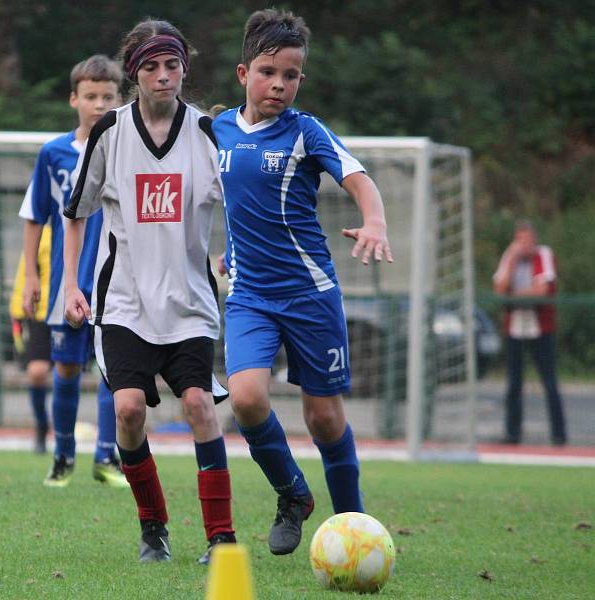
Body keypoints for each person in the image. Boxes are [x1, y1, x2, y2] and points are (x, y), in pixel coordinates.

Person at [212, 8, 393, 556]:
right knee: (245, 398)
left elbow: (358, 177)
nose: (280, 85)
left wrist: (376, 220)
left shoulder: (306, 130)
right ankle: (293, 494)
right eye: (269, 72)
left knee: (323, 415)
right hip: (249, 295)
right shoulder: (214, 129)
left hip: (310, 293)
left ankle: (353, 527)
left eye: (291, 76)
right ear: (244, 73)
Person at [62, 19, 235, 565]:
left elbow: (240, 201)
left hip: (189, 303)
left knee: (199, 405)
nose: (164, 76)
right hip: (125, 303)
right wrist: (70, 283)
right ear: (135, 72)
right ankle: (153, 528)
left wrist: (237, 250)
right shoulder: (108, 132)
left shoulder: (207, 132)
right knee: (129, 410)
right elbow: (75, 213)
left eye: (173, 65)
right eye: (152, 67)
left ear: (185, 69)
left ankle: (221, 538)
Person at [21, 54, 128, 488]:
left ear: (120, 99)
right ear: (74, 99)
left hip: (118, 282)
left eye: (108, 96)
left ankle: (106, 458)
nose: (99, 104)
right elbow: (35, 215)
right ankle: (63, 455)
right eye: (90, 96)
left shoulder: (128, 148)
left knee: (112, 370)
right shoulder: (55, 153)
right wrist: (31, 275)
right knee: (65, 369)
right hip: (67, 284)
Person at [492, 220, 566, 445]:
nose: (523, 245)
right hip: (515, 328)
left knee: (549, 382)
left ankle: (558, 435)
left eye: (527, 240)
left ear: (534, 240)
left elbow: (542, 290)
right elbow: (500, 288)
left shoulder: (544, 254)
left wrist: (516, 294)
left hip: (540, 329)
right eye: (519, 240)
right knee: (514, 383)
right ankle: (512, 433)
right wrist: (513, 258)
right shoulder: (510, 256)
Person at [9, 225, 53, 454]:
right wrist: (18, 313)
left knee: (70, 370)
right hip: (41, 313)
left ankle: (105, 443)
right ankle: (41, 425)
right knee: (37, 371)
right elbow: (24, 276)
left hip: (78, 311)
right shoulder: (40, 233)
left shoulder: (86, 225)